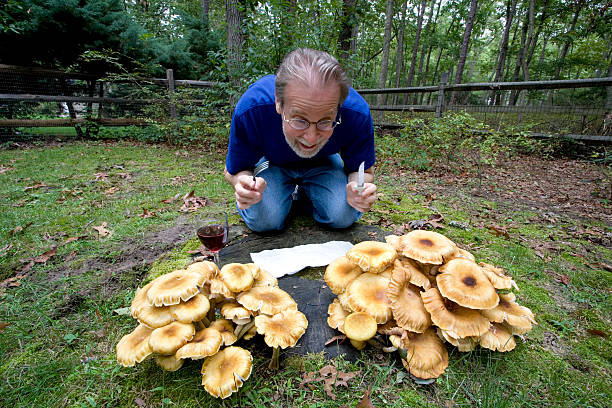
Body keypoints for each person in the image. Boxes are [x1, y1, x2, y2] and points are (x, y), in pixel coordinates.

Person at [224, 48, 377, 232]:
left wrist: (357, 188)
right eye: (299, 120)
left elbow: (363, 170)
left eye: (325, 122)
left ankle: (305, 195)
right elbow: (233, 170)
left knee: (342, 216)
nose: (311, 138)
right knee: (264, 221)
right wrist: (244, 184)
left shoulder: (356, 113)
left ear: (339, 108)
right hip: (274, 163)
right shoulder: (252, 108)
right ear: (278, 104)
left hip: (324, 161)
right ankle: (287, 197)